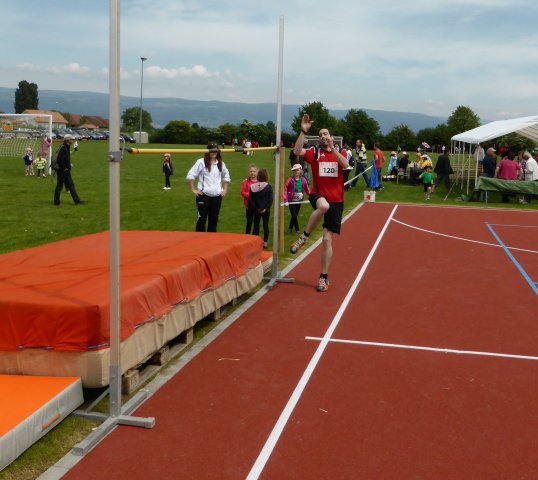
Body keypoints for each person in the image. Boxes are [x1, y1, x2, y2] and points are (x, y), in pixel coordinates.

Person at [290, 113, 349, 292]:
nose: (323, 136)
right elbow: (296, 152)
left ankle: (323, 278)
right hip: (318, 194)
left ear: (331, 137)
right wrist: (303, 132)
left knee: (327, 240)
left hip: (337, 200)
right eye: (321, 134)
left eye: (326, 134)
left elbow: (345, 165)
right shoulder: (315, 152)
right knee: (323, 206)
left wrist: (333, 148)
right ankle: (304, 237)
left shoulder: (341, 152)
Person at [186, 142, 231, 232]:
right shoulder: (201, 162)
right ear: (207, 151)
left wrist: (225, 190)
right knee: (201, 220)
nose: (214, 152)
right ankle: (199, 239)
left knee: (214, 220)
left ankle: (211, 240)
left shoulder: (221, 163)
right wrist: (193, 189)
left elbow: (226, 177)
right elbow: (190, 175)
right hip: (204, 196)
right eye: (212, 151)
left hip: (217, 197)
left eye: (215, 151)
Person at [54, 134, 84, 205]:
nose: (72, 140)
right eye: (71, 139)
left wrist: (68, 165)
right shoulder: (63, 148)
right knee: (59, 186)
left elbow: (65, 159)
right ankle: (56, 202)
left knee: (71, 185)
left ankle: (77, 201)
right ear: (68, 140)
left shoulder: (67, 146)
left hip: (66, 170)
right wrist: (64, 167)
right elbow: (59, 160)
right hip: (62, 171)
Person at [248, 168, 273, 249]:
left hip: (256, 209)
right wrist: (266, 208)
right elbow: (270, 199)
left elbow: (251, 200)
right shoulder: (268, 186)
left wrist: (256, 208)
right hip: (265, 209)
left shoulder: (252, 187)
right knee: (265, 225)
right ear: (266, 176)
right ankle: (265, 242)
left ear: (258, 176)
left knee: (256, 225)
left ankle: (255, 241)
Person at [284, 163, 311, 235]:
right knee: (294, 215)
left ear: (300, 171)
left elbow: (307, 189)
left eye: (297, 170)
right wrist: (286, 200)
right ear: (293, 171)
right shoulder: (290, 180)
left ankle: (290, 228)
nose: (296, 171)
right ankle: (297, 230)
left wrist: (311, 196)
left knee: (295, 215)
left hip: (299, 201)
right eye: (294, 170)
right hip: (291, 201)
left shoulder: (303, 180)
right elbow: (285, 189)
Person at [241, 164, 258, 234]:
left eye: (254, 171)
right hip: (248, 205)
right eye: (251, 171)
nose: (252, 173)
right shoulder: (245, 182)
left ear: (257, 172)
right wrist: (251, 195)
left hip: (257, 205)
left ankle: (255, 236)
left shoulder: (260, 182)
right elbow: (242, 192)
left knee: (256, 222)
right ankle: (247, 235)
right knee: (249, 222)